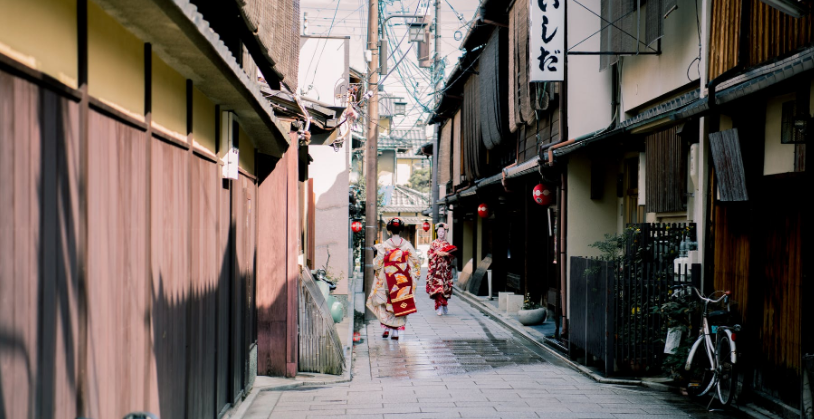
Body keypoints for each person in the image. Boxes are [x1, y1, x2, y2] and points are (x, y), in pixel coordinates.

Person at [366, 217, 421, 340]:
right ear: (401, 230)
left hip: (387, 277)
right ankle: (396, 332)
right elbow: (416, 261)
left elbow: (378, 264)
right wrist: (414, 275)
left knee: (386, 303)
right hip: (402, 278)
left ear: (390, 230)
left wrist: (378, 269)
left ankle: (386, 328)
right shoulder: (407, 245)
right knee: (400, 303)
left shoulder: (384, 245)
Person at [426, 223, 456, 315]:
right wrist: (437, 253)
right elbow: (429, 255)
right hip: (436, 270)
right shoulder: (433, 243)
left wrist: (446, 254)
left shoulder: (447, 244)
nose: (441, 233)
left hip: (445, 269)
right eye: (439, 231)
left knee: (445, 287)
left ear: (445, 233)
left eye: (443, 231)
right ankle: (439, 306)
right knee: (437, 289)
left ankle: (444, 305)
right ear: (437, 232)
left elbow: (452, 256)